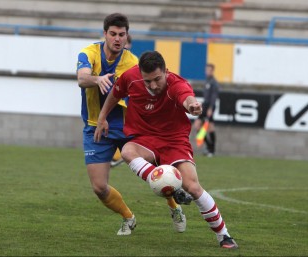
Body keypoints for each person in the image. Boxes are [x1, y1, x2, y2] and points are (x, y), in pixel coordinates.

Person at [94, 51, 238, 249]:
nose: (153, 85)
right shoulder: (130, 77)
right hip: (146, 139)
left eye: (157, 79)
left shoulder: (177, 84)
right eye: (147, 81)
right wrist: (102, 118)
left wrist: (193, 106)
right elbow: (115, 94)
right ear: (140, 74)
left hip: (174, 141)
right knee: (127, 151)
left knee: (194, 187)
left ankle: (224, 235)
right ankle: (170, 187)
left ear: (165, 71)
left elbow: (186, 98)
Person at [76, 13, 139, 236]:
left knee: (155, 169)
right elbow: (82, 79)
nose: (117, 39)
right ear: (105, 34)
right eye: (113, 34)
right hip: (95, 126)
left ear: (126, 36)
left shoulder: (133, 62)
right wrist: (98, 79)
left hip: (126, 126)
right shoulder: (89, 53)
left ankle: (174, 205)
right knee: (99, 187)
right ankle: (128, 217)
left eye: (121, 35)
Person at [110, 33, 133, 168]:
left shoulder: (132, 62)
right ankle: (116, 156)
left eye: (128, 43)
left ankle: (119, 156)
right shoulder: (114, 61)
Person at [193, 63, 219, 157]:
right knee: (198, 126)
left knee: (210, 127)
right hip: (205, 104)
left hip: (209, 106)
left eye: (209, 70)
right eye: (206, 69)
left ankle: (211, 149)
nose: (207, 71)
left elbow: (214, 97)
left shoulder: (214, 82)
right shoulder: (207, 81)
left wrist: (211, 108)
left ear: (212, 71)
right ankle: (209, 148)